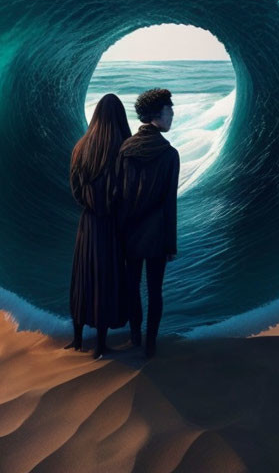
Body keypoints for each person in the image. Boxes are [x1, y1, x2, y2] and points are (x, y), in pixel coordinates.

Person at [65, 93, 132, 359]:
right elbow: (126, 191)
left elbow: (76, 190)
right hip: (112, 225)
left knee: (83, 277)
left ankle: (78, 338)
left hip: (88, 223)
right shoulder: (125, 148)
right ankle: (102, 344)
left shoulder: (80, 147)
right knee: (107, 280)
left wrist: (90, 205)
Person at [115, 88, 180, 359]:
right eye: (169, 110)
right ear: (157, 114)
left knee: (132, 286)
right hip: (156, 235)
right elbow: (168, 204)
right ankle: (151, 345)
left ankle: (135, 336)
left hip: (129, 233)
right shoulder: (169, 154)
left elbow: (119, 194)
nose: (173, 115)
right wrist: (170, 243)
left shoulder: (126, 149)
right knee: (155, 290)